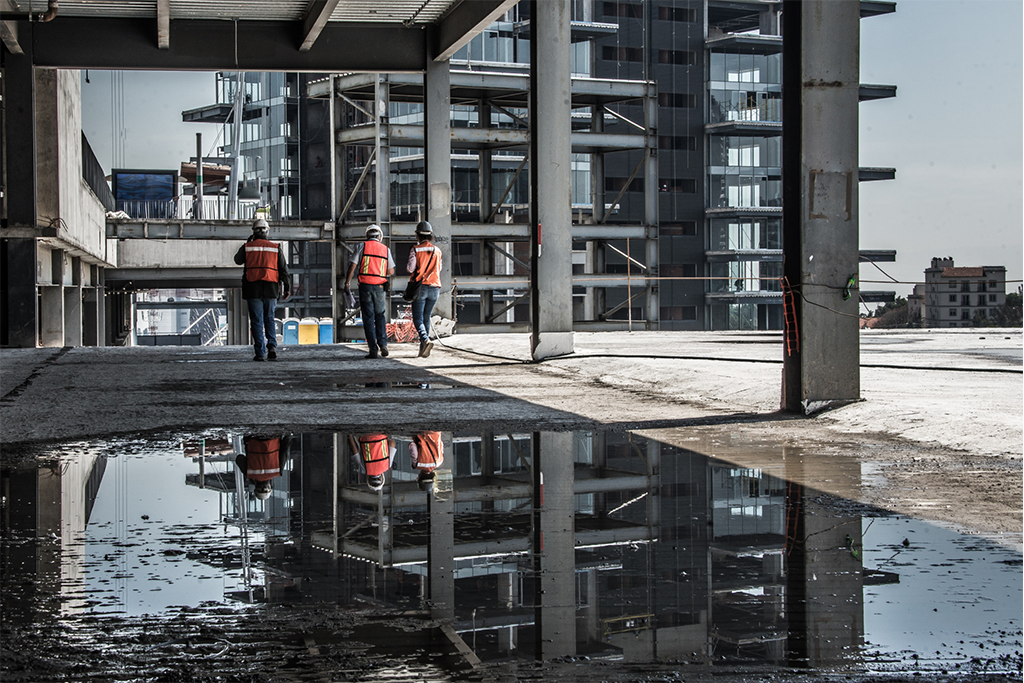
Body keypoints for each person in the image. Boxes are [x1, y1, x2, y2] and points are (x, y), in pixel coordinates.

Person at [234, 217, 290, 361]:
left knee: (257, 320)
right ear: (267, 232)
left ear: (253, 232)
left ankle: (259, 353)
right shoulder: (275, 247)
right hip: (271, 288)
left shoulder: (248, 247)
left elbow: (237, 260)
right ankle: (271, 346)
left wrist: (248, 242)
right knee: (269, 318)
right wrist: (287, 287)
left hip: (253, 289)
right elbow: (283, 269)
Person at [344, 224, 395, 360]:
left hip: (365, 286)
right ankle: (383, 344)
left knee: (368, 317)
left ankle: (373, 350)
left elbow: (352, 266)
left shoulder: (361, 246)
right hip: (379, 287)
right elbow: (390, 271)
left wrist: (347, 283)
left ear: (367, 236)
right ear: (380, 236)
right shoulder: (385, 249)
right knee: (380, 316)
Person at [406, 221, 442, 358]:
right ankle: (423, 349)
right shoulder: (438, 250)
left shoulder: (415, 249)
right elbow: (439, 269)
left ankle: (425, 340)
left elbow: (410, 268)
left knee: (417, 319)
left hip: (420, 287)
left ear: (418, 235)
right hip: (435, 287)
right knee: (426, 318)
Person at [236, 434, 291, 501]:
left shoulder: (277, 472)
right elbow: (239, 458)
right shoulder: (249, 473)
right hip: (252, 437)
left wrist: (288, 435)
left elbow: (284, 451)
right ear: (255, 488)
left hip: (273, 437)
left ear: (269, 486)